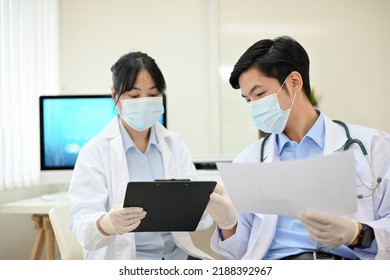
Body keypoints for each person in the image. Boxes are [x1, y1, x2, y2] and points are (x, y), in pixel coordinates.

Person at [206, 36, 390, 260]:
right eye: (248, 100)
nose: (254, 107)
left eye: (260, 94)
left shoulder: (373, 146)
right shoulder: (249, 160)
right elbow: (241, 254)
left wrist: (358, 234)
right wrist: (228, 224)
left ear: (294, 82)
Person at [68, 51, 214, 260]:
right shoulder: (95, 151)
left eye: (153, 94)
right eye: (135, 96)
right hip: (127, 260)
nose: (144, 102)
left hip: (175, 256)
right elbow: (81, 220)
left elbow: (197, 212)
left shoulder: (174, 144)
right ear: (115, 95)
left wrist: (211, 205)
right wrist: (106, 224)